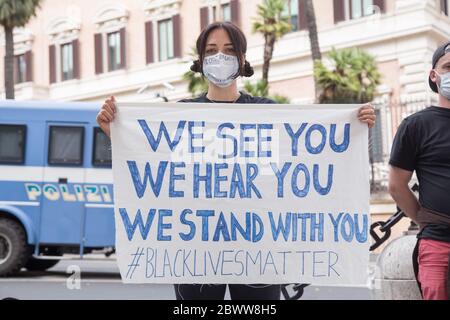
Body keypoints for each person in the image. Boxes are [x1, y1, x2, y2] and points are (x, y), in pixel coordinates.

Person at [96, 21, 376, 300]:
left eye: (229, 51)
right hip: (196, 249)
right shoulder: (181, 116)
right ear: (201, 60)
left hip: (258, 249)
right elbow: (153, 164)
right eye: (212, 50)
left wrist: (353, 131)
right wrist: (117, 133)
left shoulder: (267, 113)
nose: (220, 57)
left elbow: (301, 162)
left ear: (242, 59)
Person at [388, 40, 450, 300]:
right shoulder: (415, 126)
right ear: (434, 76)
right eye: (449, 67)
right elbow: (396, 185)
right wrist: (422, 220)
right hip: (437, 240)